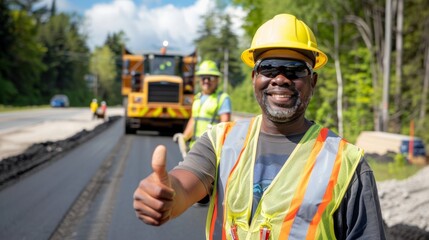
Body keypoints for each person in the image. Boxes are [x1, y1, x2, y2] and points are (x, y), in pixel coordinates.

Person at [133, 13, 386, 239]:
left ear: (313, 81)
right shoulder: (220, 143)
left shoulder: (347, 165)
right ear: (255, 77)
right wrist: (165, 195)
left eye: (294, 70)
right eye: (268, 68)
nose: (280, 78)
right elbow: (182, 187)